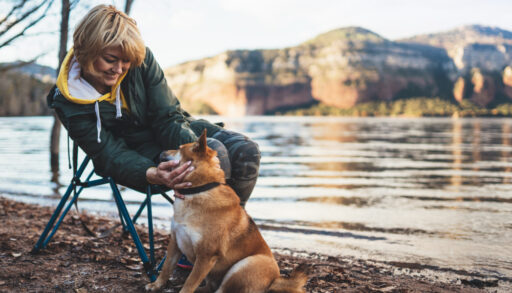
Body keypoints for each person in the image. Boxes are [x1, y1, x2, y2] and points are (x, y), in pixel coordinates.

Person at [47, 4, 260, 207]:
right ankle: (209, 234)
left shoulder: (141, 59)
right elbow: (108, 155)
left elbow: (167, 117)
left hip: (176, 130)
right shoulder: (67, 102)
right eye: (110, 59)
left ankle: (230, 229)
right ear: (86, 50)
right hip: (140, 155)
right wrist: (151, 173)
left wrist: (196, 154)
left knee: (246, 151)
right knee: (218, 153)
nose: (119, 69)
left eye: (126, 61)